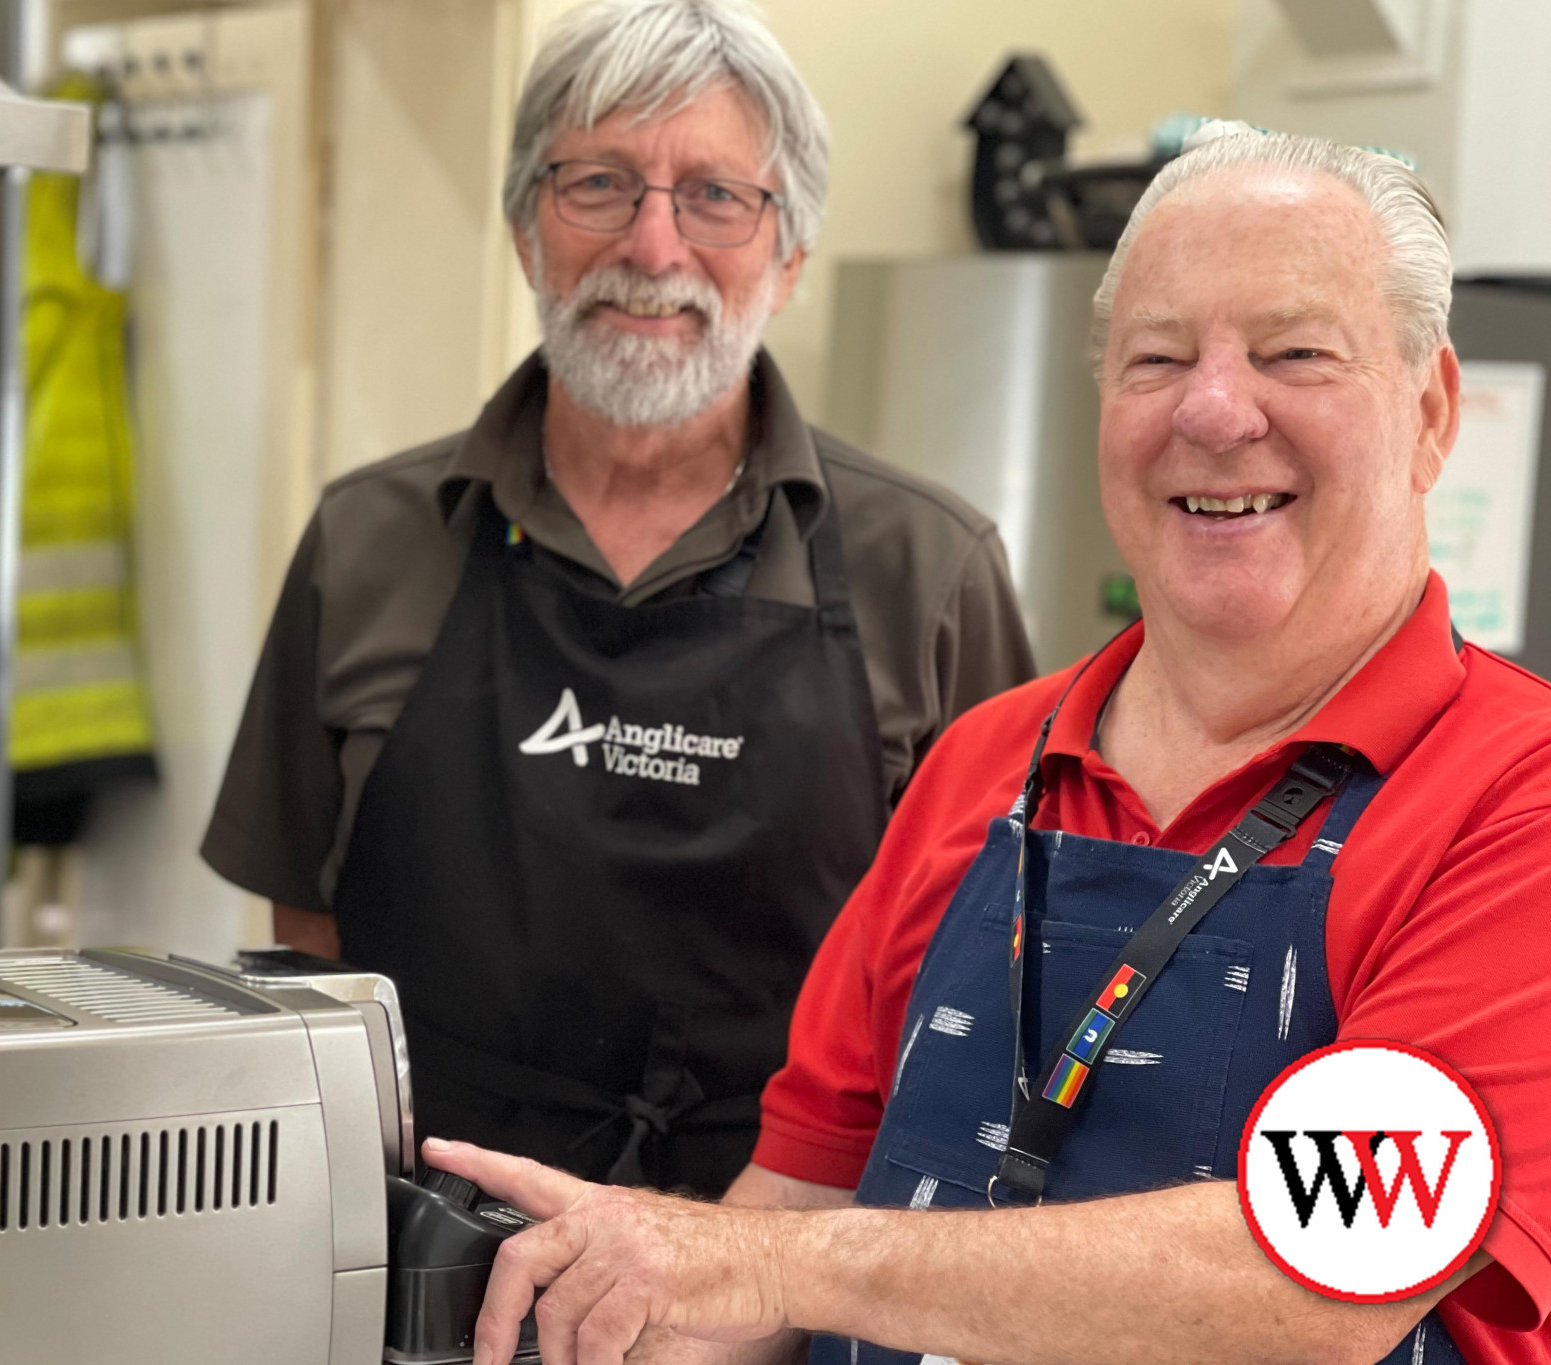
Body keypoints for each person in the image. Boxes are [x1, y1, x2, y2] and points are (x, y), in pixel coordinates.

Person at [425, 126, 1551, 1364]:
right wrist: (609, 1312)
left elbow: (1332, 1275)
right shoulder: (987, 761)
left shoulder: (1512, 796)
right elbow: (798, 1202)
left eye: (1292, 354)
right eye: (1155, 358)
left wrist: (757, 1260)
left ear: (1432, 411)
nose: (1214, 409)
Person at [202, 0, 1032, 1197]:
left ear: (787, 254)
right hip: (421, 1259)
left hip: (777, 1279)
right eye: (597, 184)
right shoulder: (365, 539)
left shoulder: (928, 569)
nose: (651, 248)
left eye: (713, 196)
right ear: (526, 231)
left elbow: (986, 961)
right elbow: (304, 924)